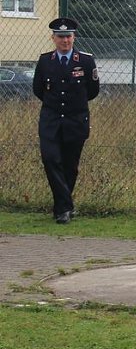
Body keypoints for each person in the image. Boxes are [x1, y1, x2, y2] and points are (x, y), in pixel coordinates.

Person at [32, 17, 100, 224]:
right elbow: (38, 89)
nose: (65, 41)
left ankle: (62, 209)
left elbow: (92, 90)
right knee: (50, 159)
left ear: (74, 37)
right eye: (60, 37)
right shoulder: (45, 61)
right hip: (51, 121)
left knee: (70, 166)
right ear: (53, 38)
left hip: (75, 120)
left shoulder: (86, 61)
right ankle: (66, 206)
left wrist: (73, 107)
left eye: (68, 36)